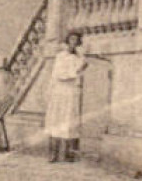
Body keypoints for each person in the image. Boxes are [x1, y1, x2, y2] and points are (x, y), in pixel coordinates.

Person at [45, 31, 105, 163]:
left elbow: (81, 74)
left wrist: (82, 66)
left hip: (72, 92)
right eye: (71, 39)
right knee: (56, 121)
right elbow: (60, 74)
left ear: (78, 43)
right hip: (60, 91)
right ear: (67, 41)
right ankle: (53, 154)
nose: (73, 42)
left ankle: (68, 154)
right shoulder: (61, 56)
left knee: (70, 122)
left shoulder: (79, 58)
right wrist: (77, 70)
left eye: (76, 40)